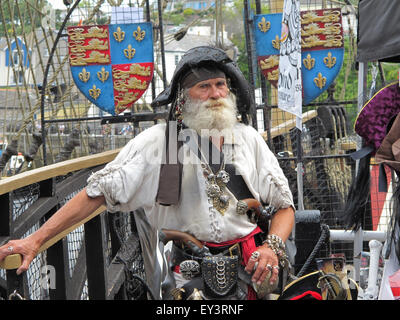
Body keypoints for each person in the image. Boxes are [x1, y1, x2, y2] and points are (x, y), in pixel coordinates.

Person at [0, 46, 295, 300]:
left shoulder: (249, 139)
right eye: (203, 87)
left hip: (248, 268)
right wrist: (35, 240)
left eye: (220, 85)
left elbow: (284, 206)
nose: (214, 94)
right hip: (184, 274)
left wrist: (272, 246)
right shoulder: (158, 143)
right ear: (183, 98)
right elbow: (99, 193)